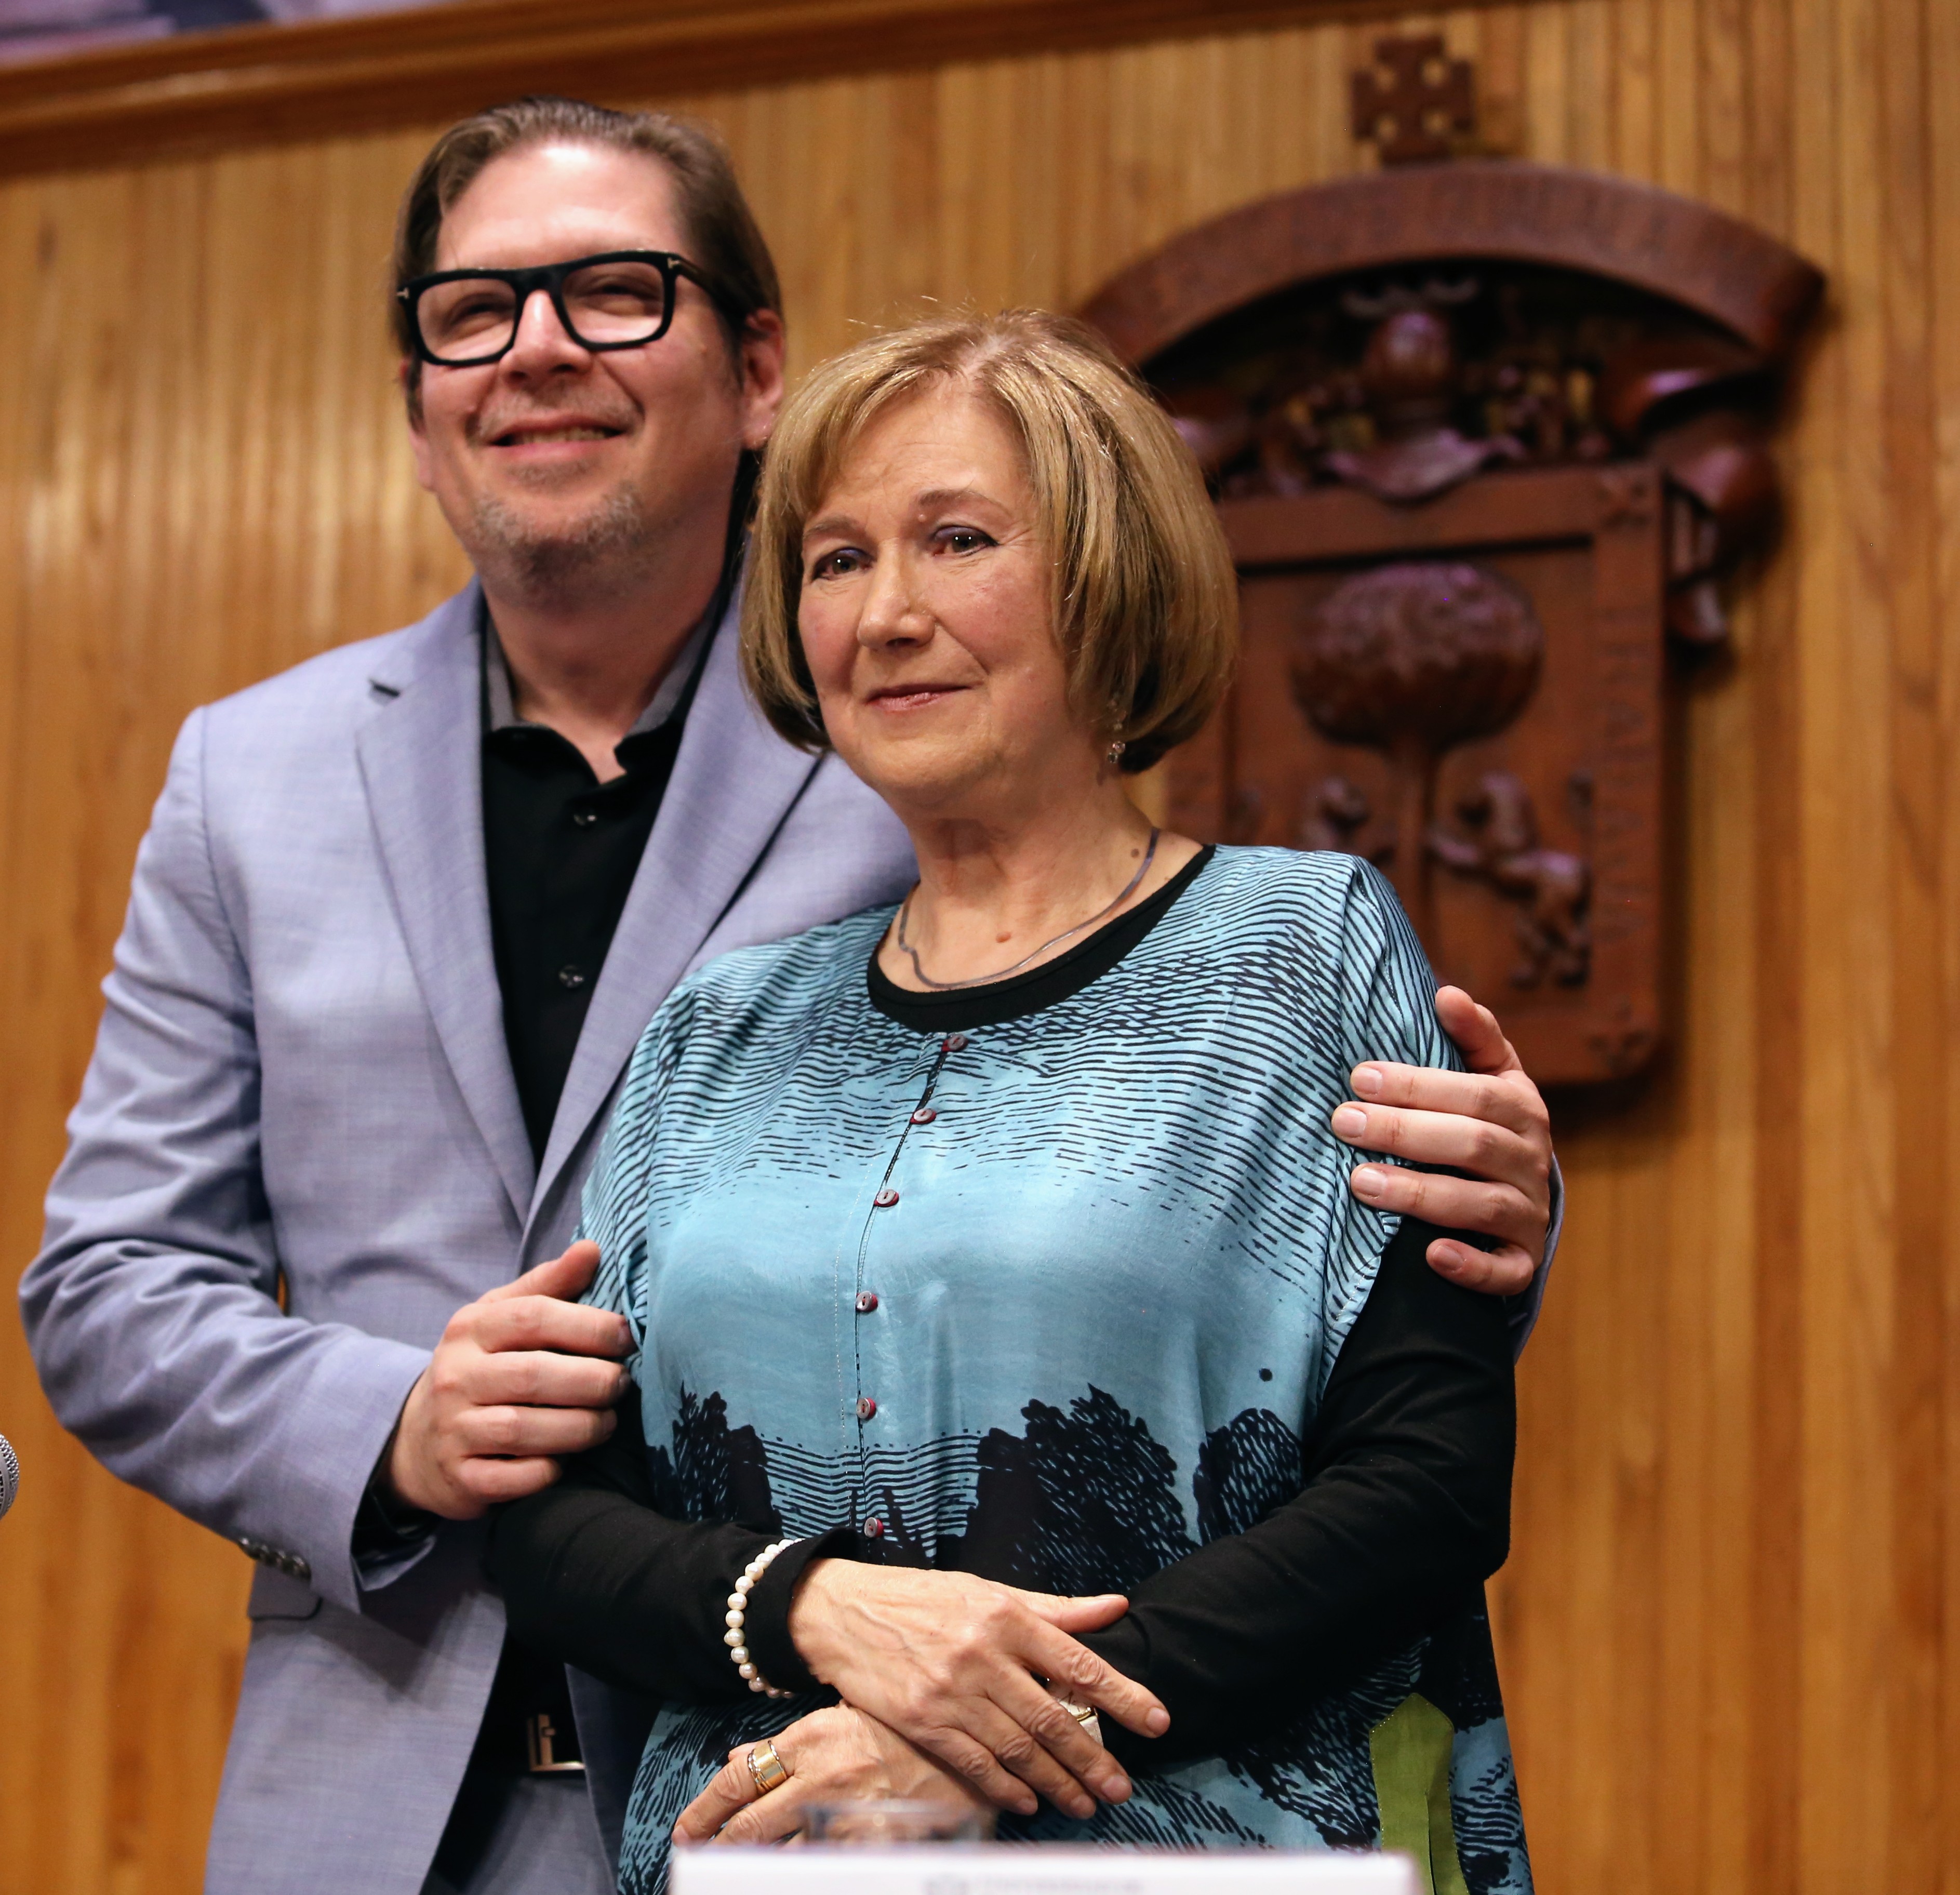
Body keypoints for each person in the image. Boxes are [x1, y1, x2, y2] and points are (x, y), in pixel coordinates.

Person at [19, 100, 1553, 1895]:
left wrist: (1504, 1199)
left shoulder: (990, 774)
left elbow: (1317, 1304)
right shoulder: (249, 778)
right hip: (432, 1772)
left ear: (753, 368)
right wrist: (404, 1430)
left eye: (613, 291)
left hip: (1106, 1809)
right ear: (415, 399)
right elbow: (108, 1278)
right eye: (474, 309)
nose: (536, 351)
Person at [488, 310, 1531, 1895]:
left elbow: (1423, 1489)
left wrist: (981, 1733)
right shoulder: (713, 1030)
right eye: (837, 561)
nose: (886, 615)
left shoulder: (1304, 953)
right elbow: (554, 1517)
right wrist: (806, 1608)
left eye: (957, 540)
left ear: (1108, 577)